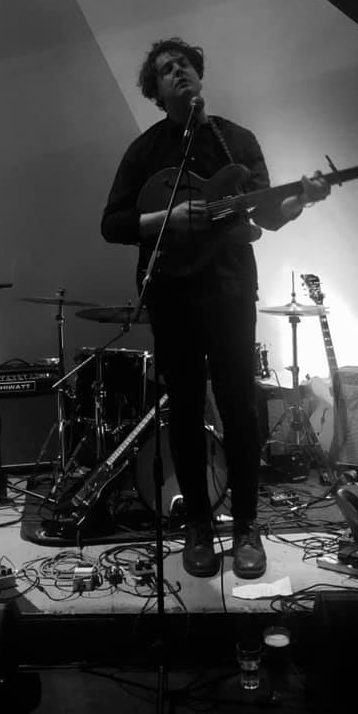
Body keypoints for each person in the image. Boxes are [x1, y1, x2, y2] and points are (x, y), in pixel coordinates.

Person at [101, 37, 330, 579]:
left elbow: (268, 214)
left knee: (239, 407)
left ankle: (247, 525)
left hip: (229, 288)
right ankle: (199, 525)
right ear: (156, 92)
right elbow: (112, 223)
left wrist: (301, 200)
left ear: (199, 76)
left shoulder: (236, 141)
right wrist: (167, 219)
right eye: (165, 69)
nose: (178, 71)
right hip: (171, 293)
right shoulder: (145, 150)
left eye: (184, 64)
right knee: (184, 409)